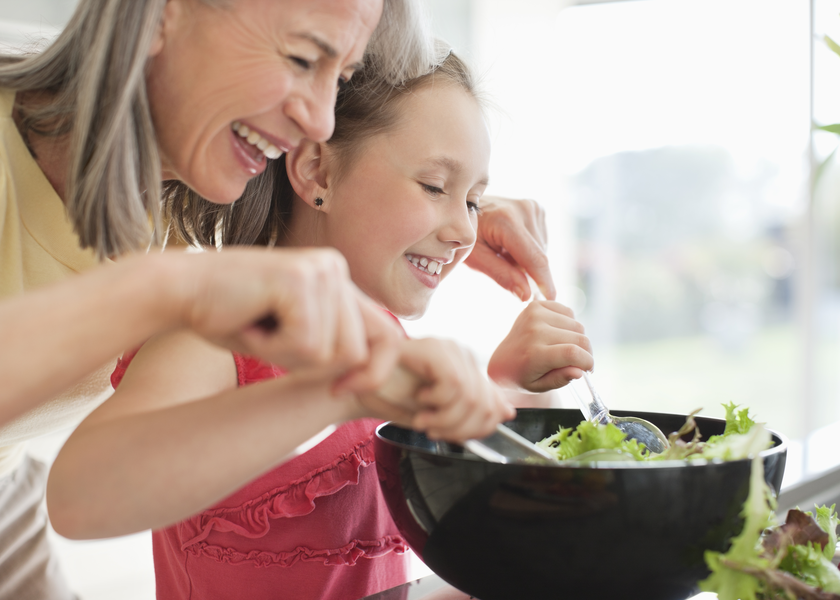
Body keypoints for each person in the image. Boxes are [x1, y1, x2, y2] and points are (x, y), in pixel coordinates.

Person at [0, 0, 549, 598]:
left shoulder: (172, 194)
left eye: (338, 79)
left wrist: (448, 211)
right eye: (302, 56)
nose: (319, 119)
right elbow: (85, 496)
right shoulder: (192, 305)